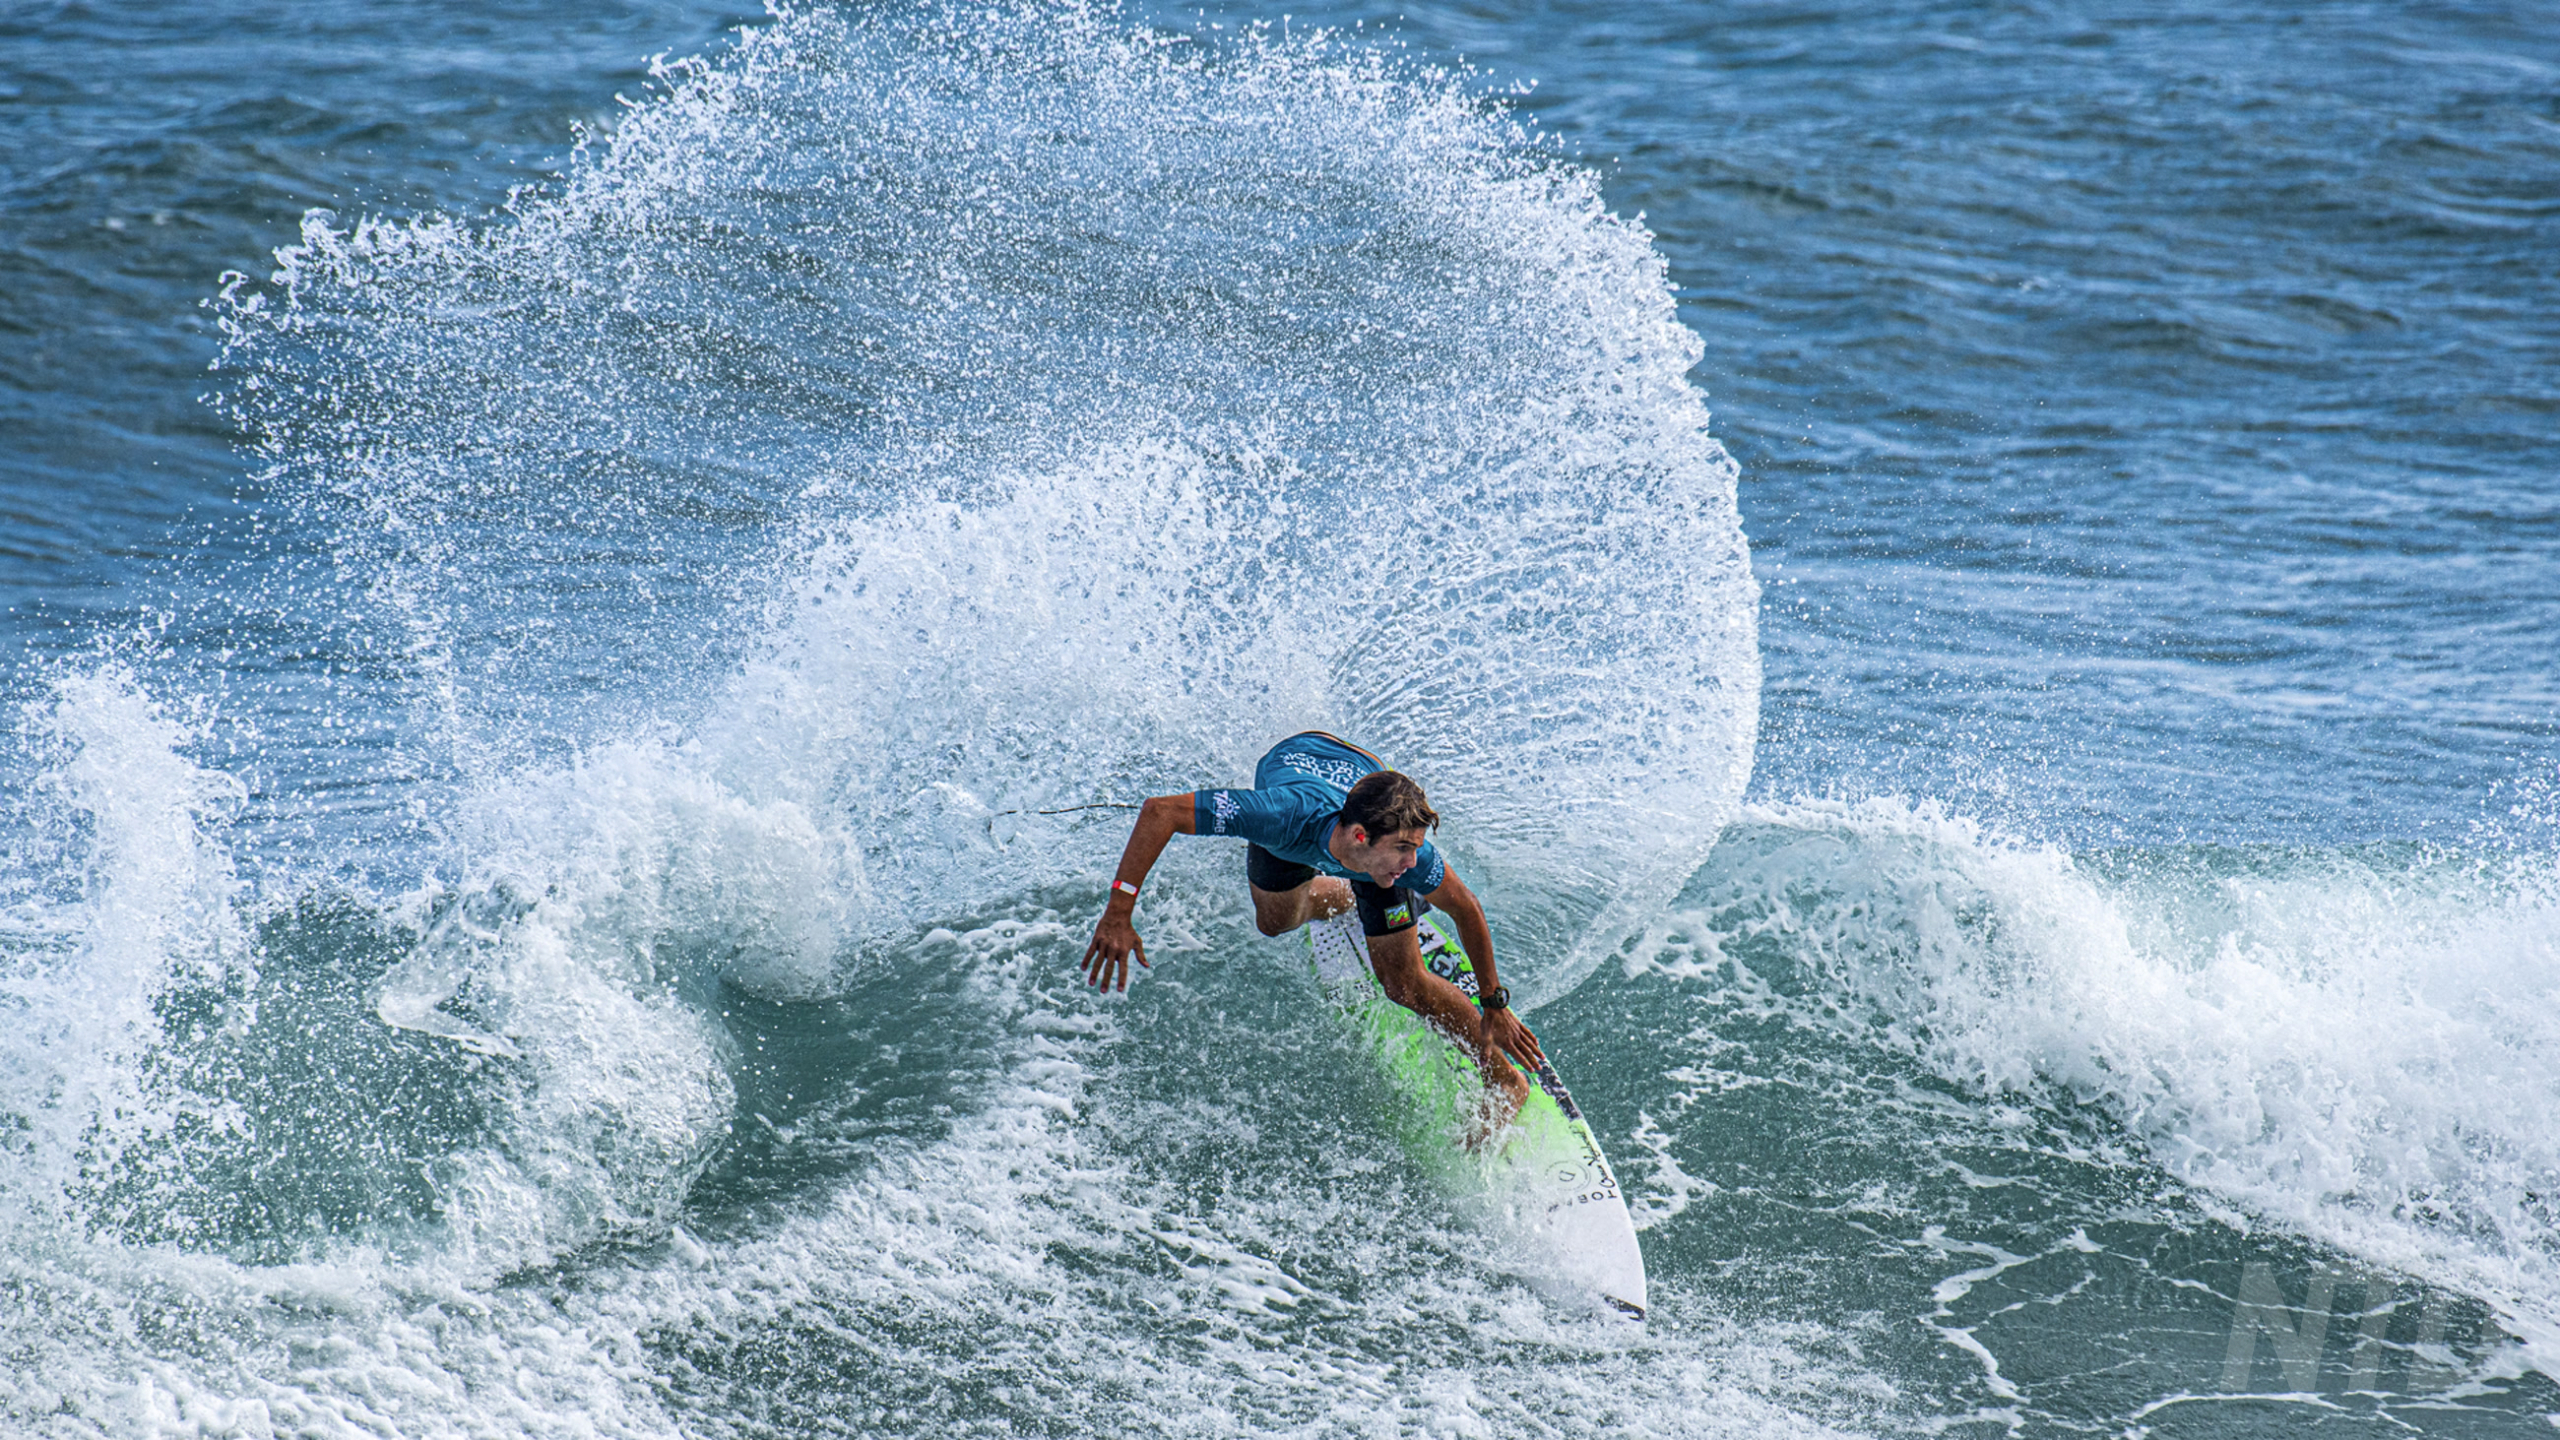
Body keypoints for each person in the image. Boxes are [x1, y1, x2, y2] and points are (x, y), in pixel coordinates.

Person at [1081, 730, 1544, 1112]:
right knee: (1275, 921)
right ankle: (1350, 896)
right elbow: (1160, 812)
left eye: (1416, 847)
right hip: (1298, 769)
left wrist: (1494, 1003)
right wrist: (1118, 913)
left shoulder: (1405, 858)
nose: (1413, 860)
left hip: (1361, 773)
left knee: (1404, 984)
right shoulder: (1280, 817)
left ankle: (1504, 1084)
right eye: (1404, 849)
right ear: (1361, 836)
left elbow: (1466, 907)